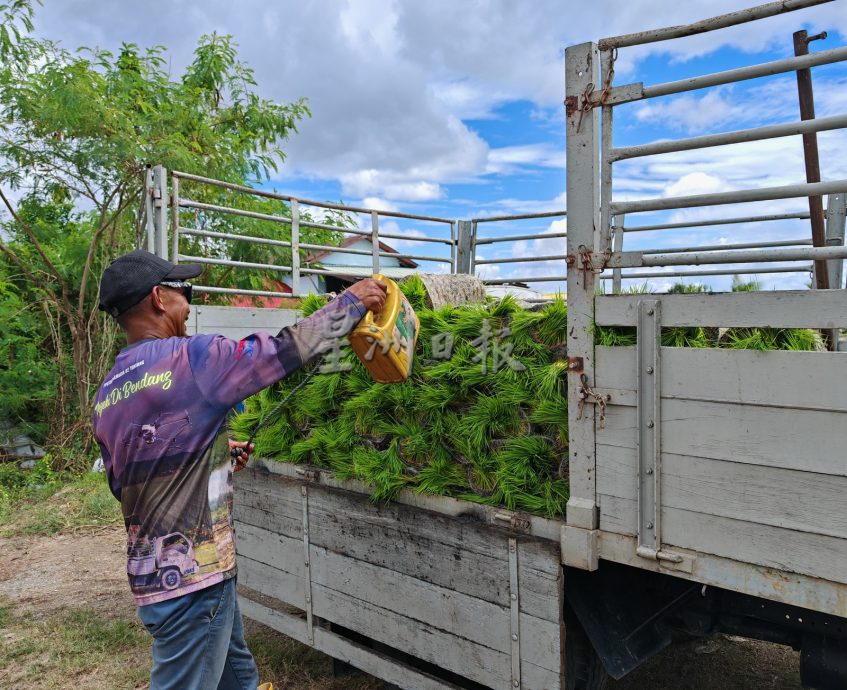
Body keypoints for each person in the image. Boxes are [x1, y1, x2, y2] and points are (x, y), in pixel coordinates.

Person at [92, 250, 386, 690]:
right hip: (193, 578)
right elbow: (283, 350)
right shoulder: (192, 358)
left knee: (237, 677)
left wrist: (211, 452)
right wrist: (352, 302)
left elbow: (128, 483)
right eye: (181, 291)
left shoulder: (108, 391)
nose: (187, 303)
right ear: (158, 298)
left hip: (156, 572)